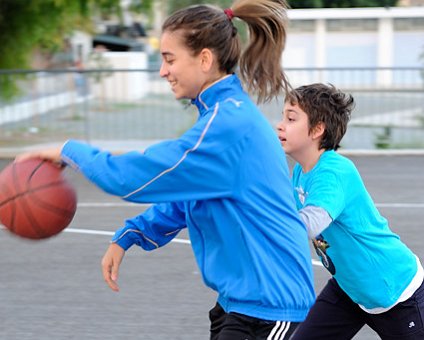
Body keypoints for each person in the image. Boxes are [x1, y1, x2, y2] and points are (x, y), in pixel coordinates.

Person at [16, 1, 315, 339]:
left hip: (271, 307)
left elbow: (134, 175)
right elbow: (188, 200)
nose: (162, 71)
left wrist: (69, 150)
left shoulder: (228, 126)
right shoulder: (222, 117)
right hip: (244, 302)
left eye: (169, 59)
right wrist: (131, 235)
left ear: (204, 59)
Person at [276, 83, 424, 339]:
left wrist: (261, 229)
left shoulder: (334, 171)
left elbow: (310, 223)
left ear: (317, 129)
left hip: (396, 293)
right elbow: (285, 214)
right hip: (350, 288)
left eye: (290, 118)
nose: (280, 125)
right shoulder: (301, 171)